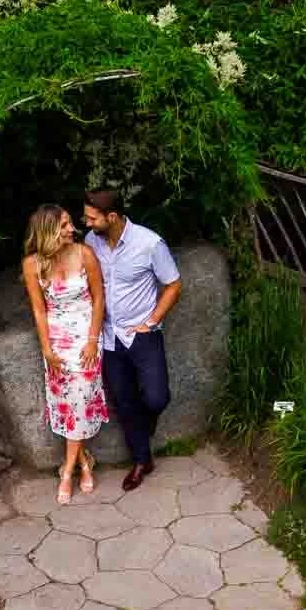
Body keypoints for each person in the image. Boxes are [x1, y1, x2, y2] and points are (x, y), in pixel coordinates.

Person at [82, 188, 180, 490]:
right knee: (124, 403)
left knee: (156, 397)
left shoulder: (149, 244)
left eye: (92, 218)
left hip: (142, 334)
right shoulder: (90, 242)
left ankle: (143, 425)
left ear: (111, 217)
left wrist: (151, 322)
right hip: (109, 338)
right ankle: (141, 460)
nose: (86, 223)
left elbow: (174, 284)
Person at [20, 203, 108, 504]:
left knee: (80, 400)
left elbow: (99, 299)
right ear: (48, 231)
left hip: (86, 339)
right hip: (57, 343)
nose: (73, 229)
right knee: (68, 406)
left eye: (71, 223)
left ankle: (68, 470)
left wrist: (93, 340)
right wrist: (47, 350)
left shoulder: (85, 254)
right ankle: (85, 462)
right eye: (65, 225)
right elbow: (38, 310)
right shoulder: (32, 264)